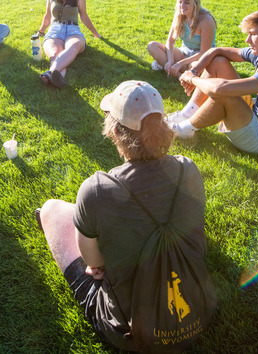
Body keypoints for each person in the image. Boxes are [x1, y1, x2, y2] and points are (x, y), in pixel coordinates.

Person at [37, 80, 208, 351]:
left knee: (52, 210)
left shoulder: (97, 189)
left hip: (130, 330)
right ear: (163, 125)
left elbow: (94, 263)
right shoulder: (189, 170)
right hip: (196, 313)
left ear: (115, 130)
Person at [168, 8, 258, 154]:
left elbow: (219, 89)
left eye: (253, 34)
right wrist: (195, 69)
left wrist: (192, 78)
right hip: (254, 113)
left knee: (226, 94)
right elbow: (217, 51)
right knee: (218, 61)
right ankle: (186, 114)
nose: (247, 40)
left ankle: (182, 129)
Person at [37, 0, 100, 87]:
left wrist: (96, 33)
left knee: (75, 46)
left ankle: (49, 74)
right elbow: (47, 15)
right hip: (55, 29)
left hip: (73, 30)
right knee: (56, 54)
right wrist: (41, 31)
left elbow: (84, 16)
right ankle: (55, 79)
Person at [147, 0, 216, 77]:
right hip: (184, 53)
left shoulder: (206, 20)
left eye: (186, 2)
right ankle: (180, 77)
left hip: (201, 58)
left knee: (194, 66)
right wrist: (170, 59)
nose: (182, 6)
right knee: (152, 46)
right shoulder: (179, 16)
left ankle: (175, 69)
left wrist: (179, 63)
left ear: (196, 3)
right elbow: (170, 41)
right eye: (180, 2)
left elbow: (204, 52)